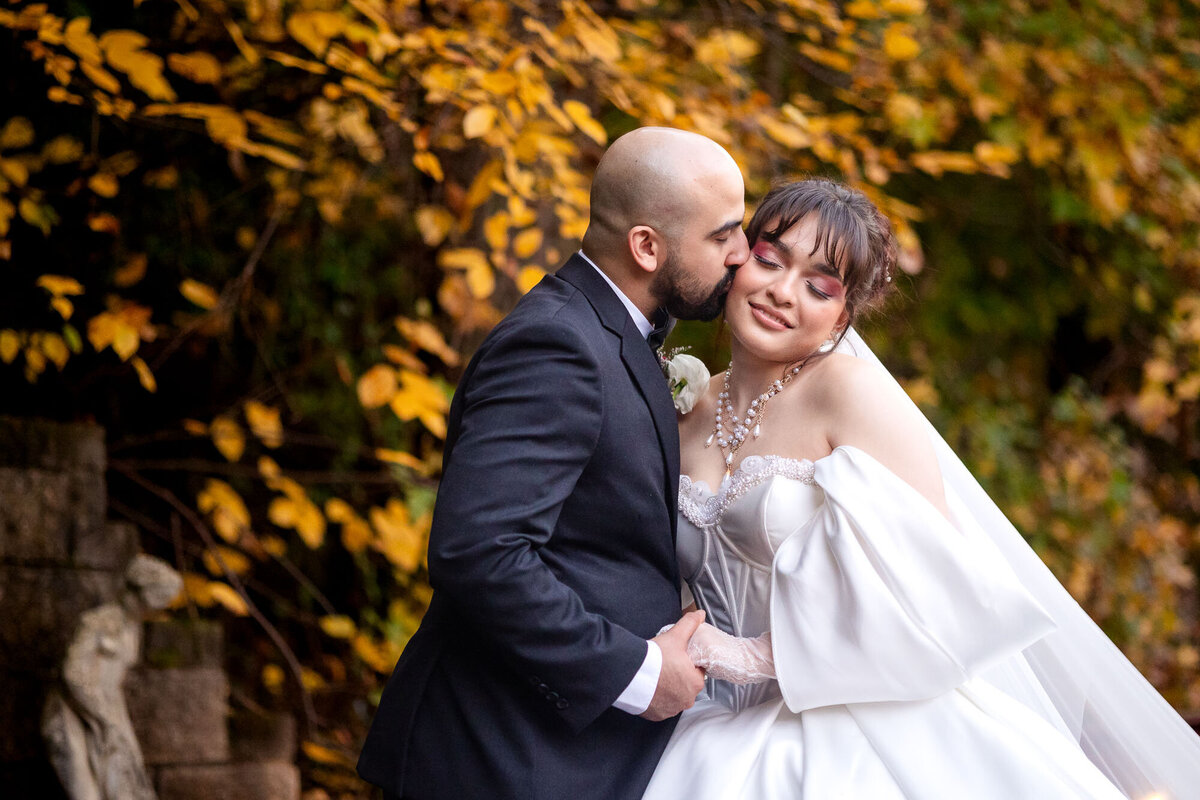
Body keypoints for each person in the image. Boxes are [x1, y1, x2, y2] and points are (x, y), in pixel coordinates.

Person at [642, 179, 1200, 799]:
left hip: (858, 725)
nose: (781, 292)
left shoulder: (848, 393)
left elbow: (932, 586)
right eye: (771, 260)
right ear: (738, 258)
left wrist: (754, 656)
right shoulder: (684, 405)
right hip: (708, 720)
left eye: (819, 286)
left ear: (844, 314)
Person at [356, 127, 751, 800]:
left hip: (561, 753)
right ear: (647, 247)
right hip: (497, 756)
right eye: (722, 236)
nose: (743, 255)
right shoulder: (555, 345)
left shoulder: (615, 331)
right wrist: (636, 673)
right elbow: (480, 552)